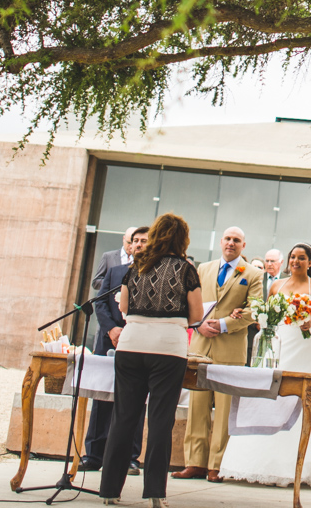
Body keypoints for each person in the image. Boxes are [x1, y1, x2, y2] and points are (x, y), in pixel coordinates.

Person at [99, 213, 201, 506]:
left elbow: (124, 307)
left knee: (123, 417)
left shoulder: (136, 266)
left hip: (132, 344)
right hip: (168, 347)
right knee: (159, 420)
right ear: (182, 238)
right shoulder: (186, 269)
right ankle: (155, 493)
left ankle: (109, 491)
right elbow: (195, 315)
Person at [220, 243, 311, 489]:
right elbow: (266, 316)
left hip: (305, 351)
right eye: (293, 257)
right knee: (271, 397)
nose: (296, 261)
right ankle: (260, 462)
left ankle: (303, 465)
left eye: (301, 258)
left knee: (304, 402)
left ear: (310, 262)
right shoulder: (276, 285)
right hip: (279, 348)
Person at [176, 226, 262, 482]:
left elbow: (255, 308)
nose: (231, 243)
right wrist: (198, 324)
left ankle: (217, 464)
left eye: (236, 240)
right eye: (227, 239)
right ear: (220, 242)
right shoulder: (203, 269)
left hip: (230, 348)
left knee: (225, 410)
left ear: (243, 246)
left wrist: (225, 324)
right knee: (197, 407)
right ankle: (195, 462)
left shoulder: (253, 274)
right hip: (201, 345)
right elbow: (189, 302)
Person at [84, 226, 149, 474]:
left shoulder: (155, 274)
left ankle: (131, 457)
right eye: (136, 241)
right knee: (101, 397)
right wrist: (111, 329)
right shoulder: (115, 272)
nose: (139, 245)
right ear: (129, 245)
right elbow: (99, 302)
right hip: (108, 340)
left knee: (135, 399)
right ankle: (94, 454)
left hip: (138, 343)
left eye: (144, 240)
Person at [92, 227, 138, 291]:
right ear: (123, 239)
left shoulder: (140, 260)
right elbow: (96, 283)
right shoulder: (108, 257)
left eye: (133, 243)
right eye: (128, 242)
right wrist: (112, 284)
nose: (130, 246)